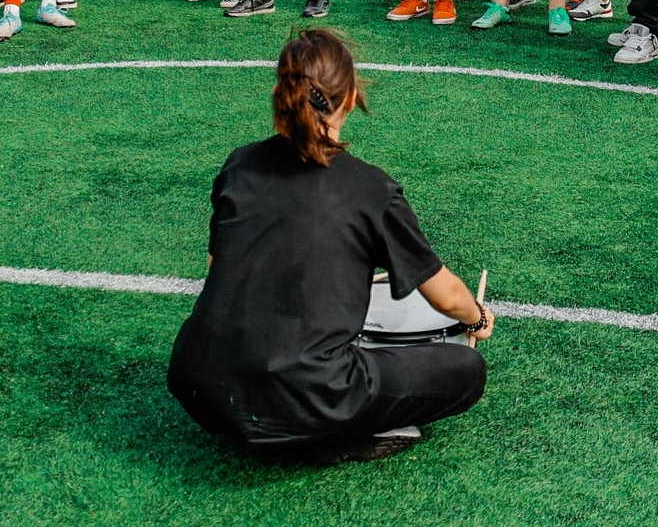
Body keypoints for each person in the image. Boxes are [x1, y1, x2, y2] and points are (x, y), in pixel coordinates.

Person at [167, 30, 493, 462]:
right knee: (467, 371)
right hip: (305, 397)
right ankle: (331, 439)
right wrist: (478, 318)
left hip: (199, 386)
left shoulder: (239, 164)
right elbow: (447, 296)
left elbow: (218, 267)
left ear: (280, 92)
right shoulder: (369, 188)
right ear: (352, 95)